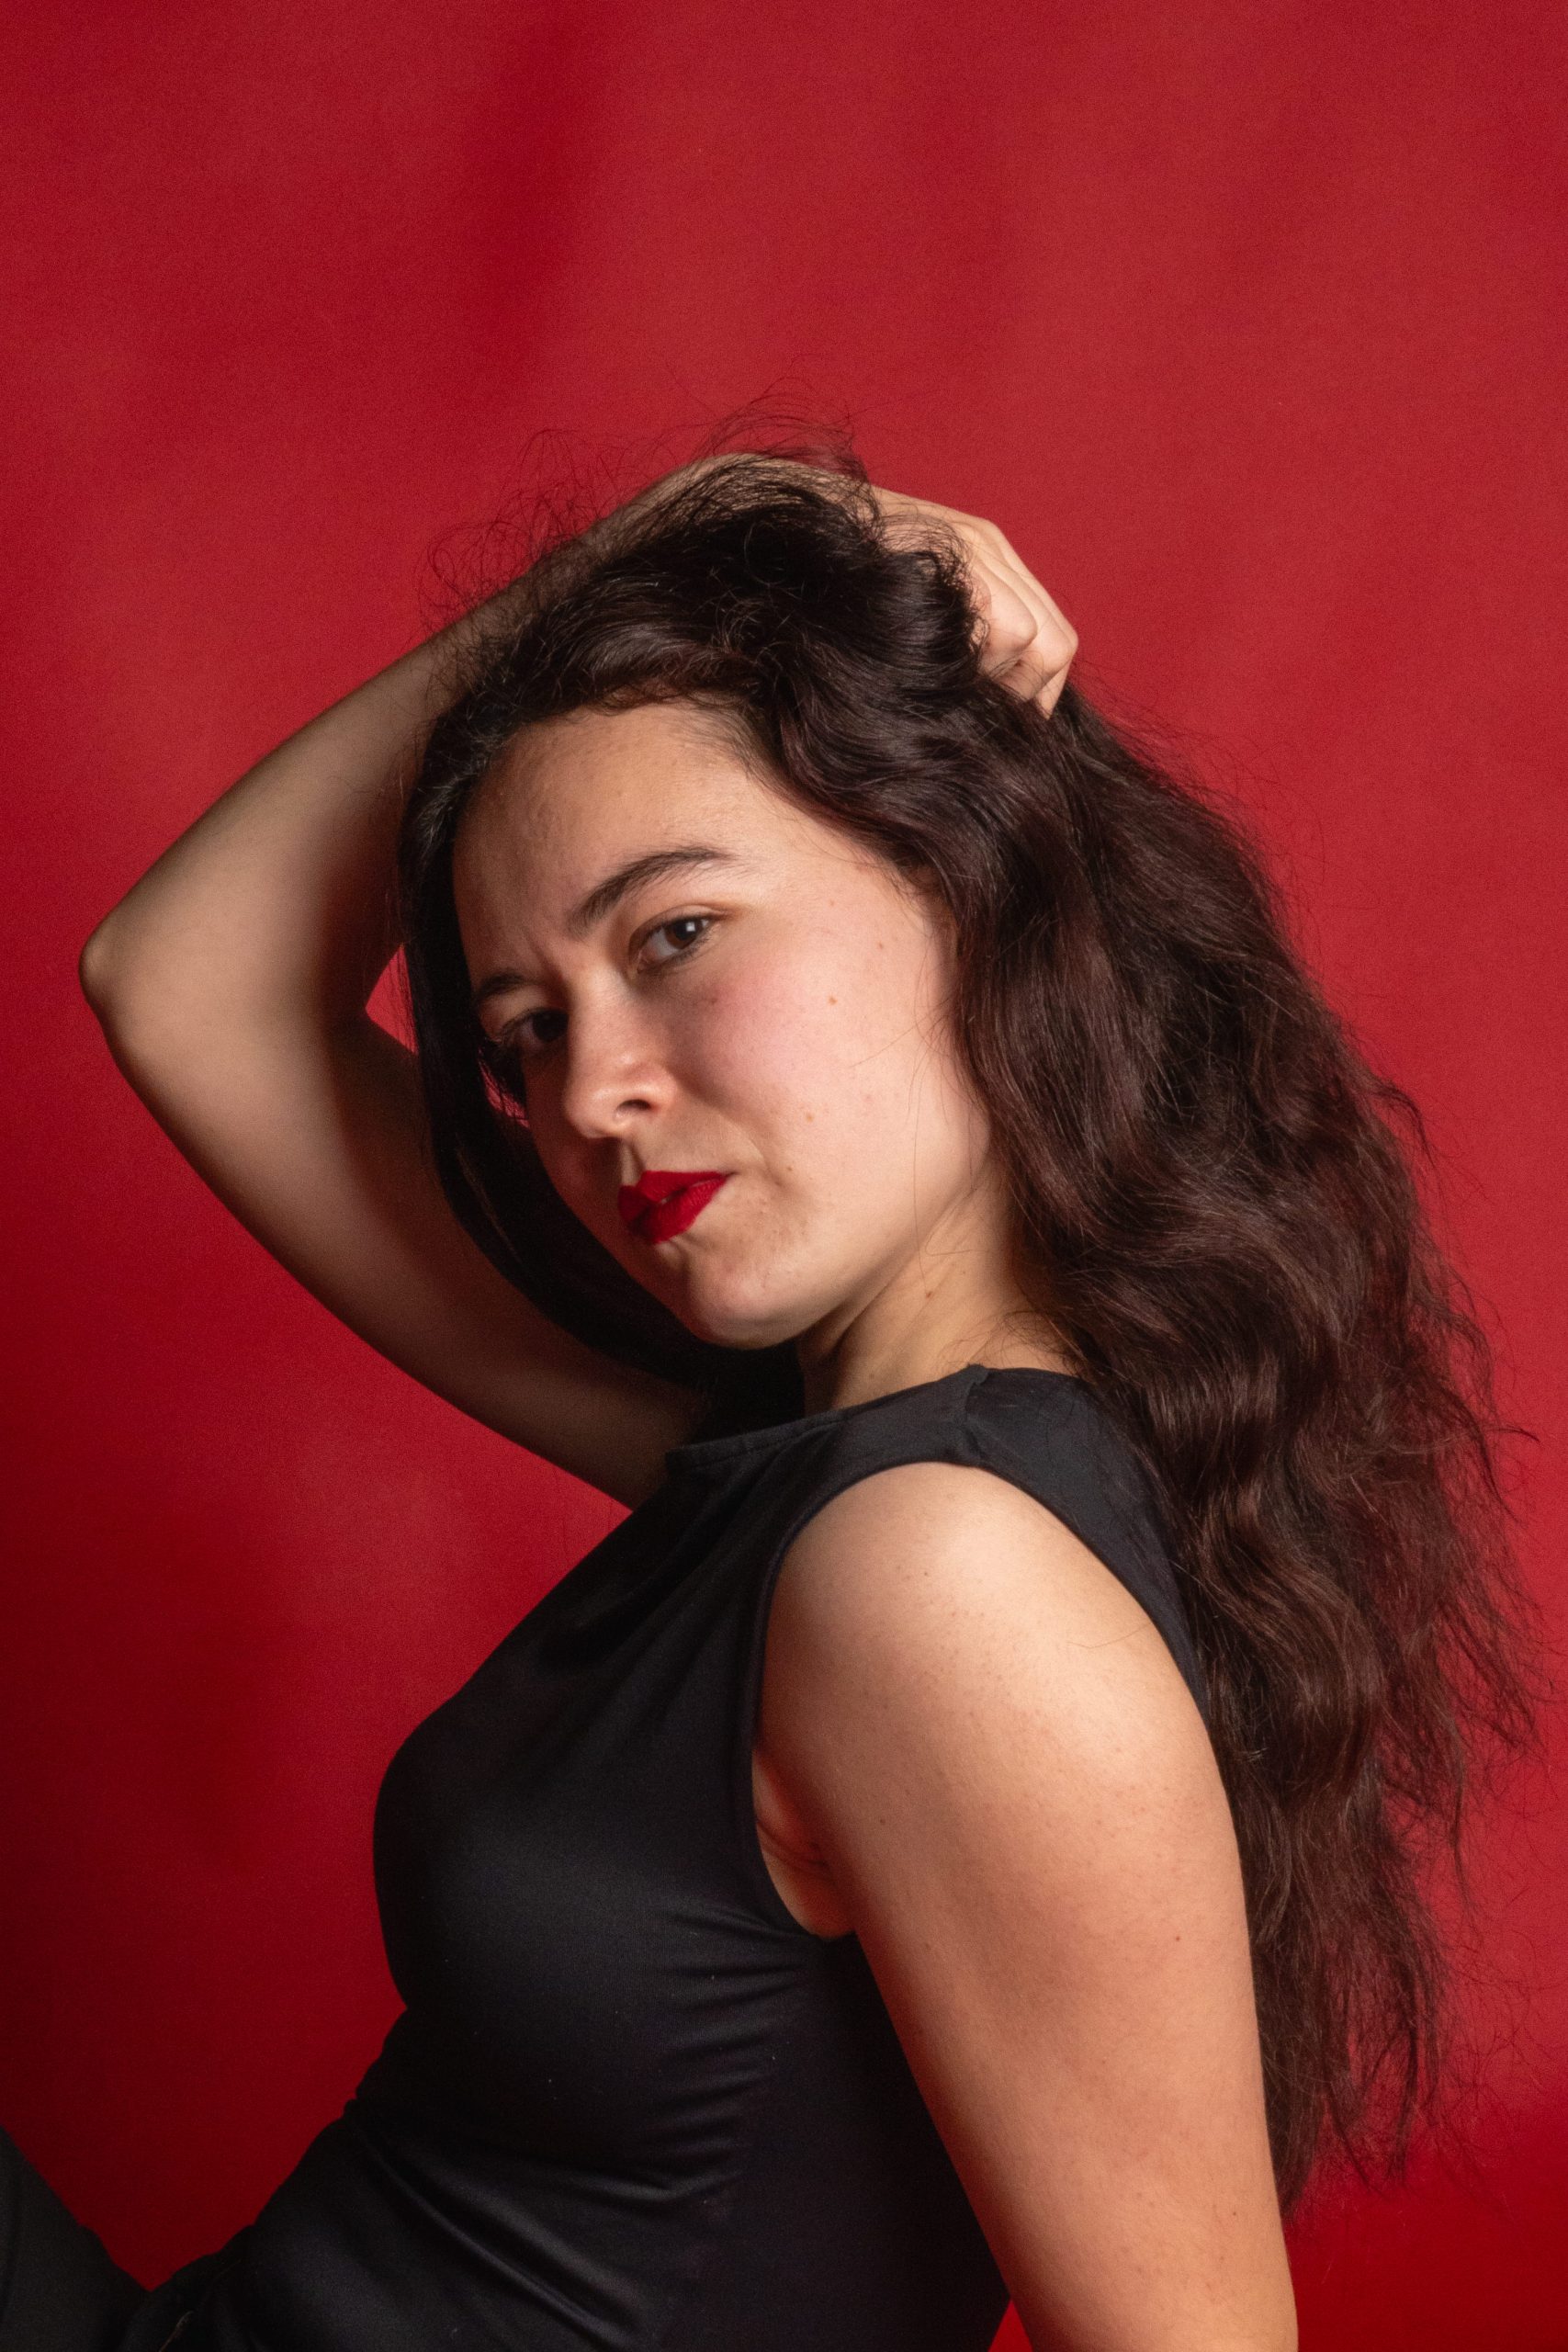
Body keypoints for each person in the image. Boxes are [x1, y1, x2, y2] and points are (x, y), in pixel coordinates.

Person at [8, 440, 1532, 2350]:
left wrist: (713, 539)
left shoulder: (940, 1574)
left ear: (967, 875)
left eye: (673, 937)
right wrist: (687, 518)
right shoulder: (784, 1460)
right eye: (526, 1030)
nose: (589, 1093)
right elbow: (176, 981)